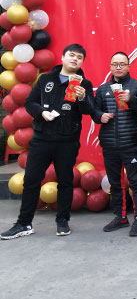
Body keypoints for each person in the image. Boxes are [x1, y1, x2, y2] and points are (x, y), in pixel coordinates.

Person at [1, 44, 94, 239]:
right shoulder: (45, 79)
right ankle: (24, 223)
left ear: (82, 62)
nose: (75, 59)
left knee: (65, 181)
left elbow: (88, 111)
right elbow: (30, 102)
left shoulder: (84, 84)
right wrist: (42, 113)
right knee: (31, 180)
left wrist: (83, 98)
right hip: (42, 139)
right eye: (72, 55)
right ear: (63, 57)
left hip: (67, 141)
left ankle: (63, 220)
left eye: (79, 57)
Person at [92, 51, 137, 237]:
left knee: (136, 183)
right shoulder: (103, 89)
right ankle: (121, 217)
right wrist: (100, 116)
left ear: (129, 66)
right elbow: (94, 112)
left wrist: (131, 101)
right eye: (115, 64)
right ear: (110, 67)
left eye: (122, 64)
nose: (119, 67)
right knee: (115, 183)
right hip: (109, 144)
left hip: (132, 143)